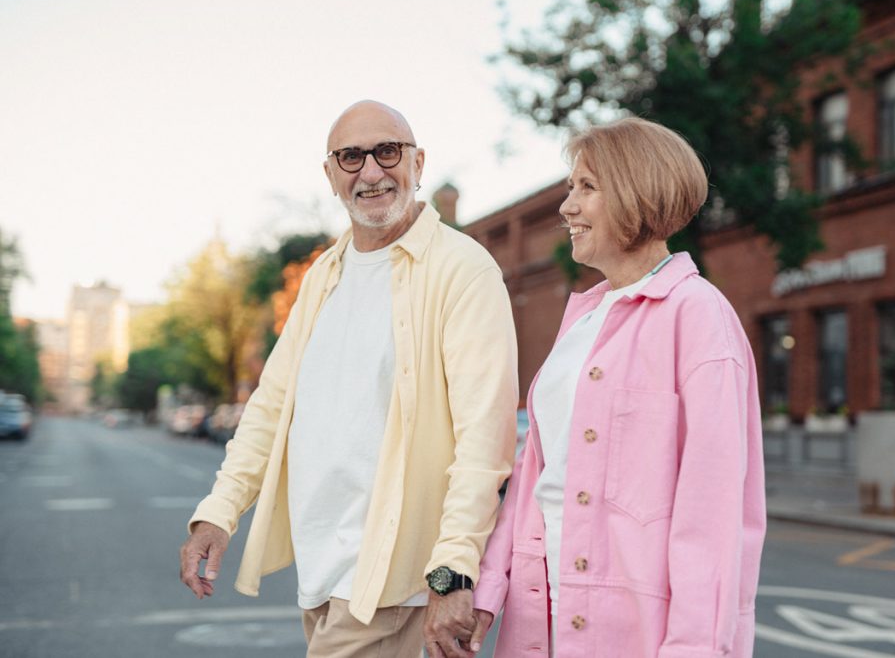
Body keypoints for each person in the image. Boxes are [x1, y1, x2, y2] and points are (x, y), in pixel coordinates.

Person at [179, 100, 519, 658]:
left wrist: (453, 572)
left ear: (417, 162)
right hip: (322, 576)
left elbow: (485, 441)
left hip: (394, 586)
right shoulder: (324, 274)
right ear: (331, 174)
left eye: (388, 152)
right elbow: (271, 406)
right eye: (351, 157)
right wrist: (219, 512)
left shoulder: (463, 270)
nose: (372, 172)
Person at [469, 117, 766, 657]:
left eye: (586, 188)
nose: (567, 207)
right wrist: (488, 590)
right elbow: (537, 474)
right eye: (568, 188)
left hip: (634, 634)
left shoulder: (697, 316)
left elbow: (714, 516)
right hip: (541, 618)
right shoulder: (582, 318)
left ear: (635, 193)